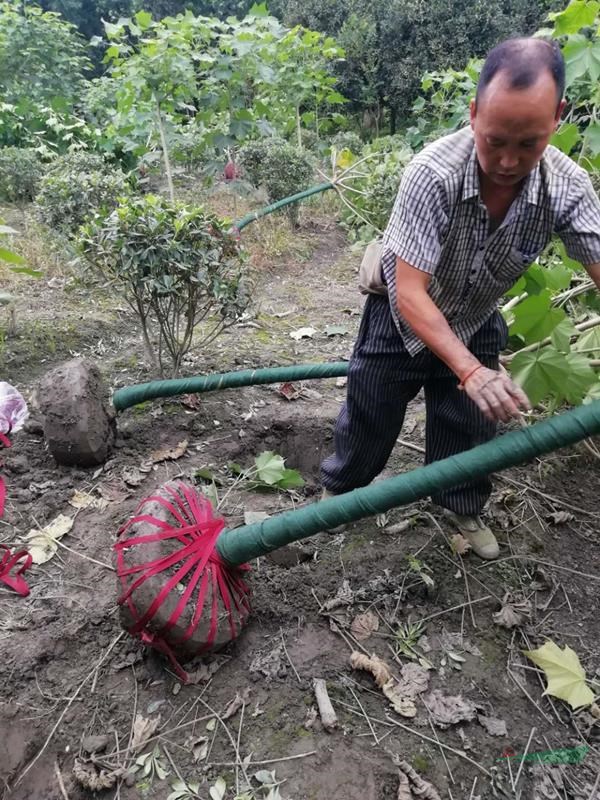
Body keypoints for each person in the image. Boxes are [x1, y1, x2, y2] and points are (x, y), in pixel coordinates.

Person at [321, 37, 600, 559]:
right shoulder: (434, 173)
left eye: (529, 144)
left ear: (559, 117)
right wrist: (470, 371)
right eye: (494, 140)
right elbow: (409, 292)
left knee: (468, 425)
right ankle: (336, 497)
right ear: (473, 112)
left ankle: (461, 505)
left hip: (475, 314)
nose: (508, 160)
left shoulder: (569, 187)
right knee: (370, 415)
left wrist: (471, 371)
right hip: (401, 314)